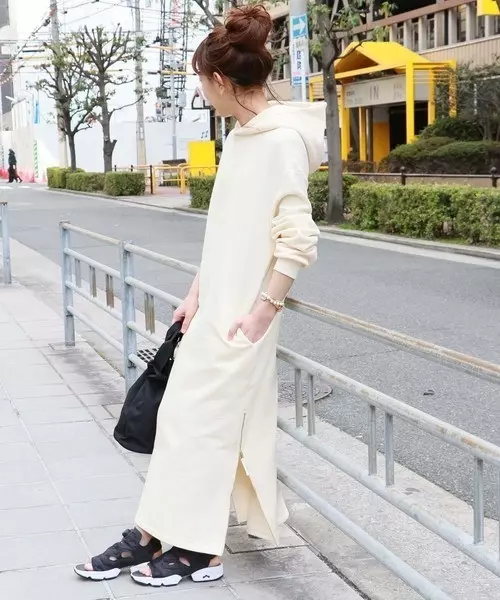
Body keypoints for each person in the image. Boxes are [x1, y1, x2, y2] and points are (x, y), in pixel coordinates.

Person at [74, 4, 325, 588]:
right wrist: (194, 294)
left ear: (219, 80)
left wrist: (264, 311)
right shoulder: (242, 138)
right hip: (215, 311)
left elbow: (298, 236)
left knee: (202, 427)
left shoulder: (280, 141)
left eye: (201, 82)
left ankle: (197, 549)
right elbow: (225, 233)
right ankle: (153, 534)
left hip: (243, 320)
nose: (201, 93)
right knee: (181, 420)